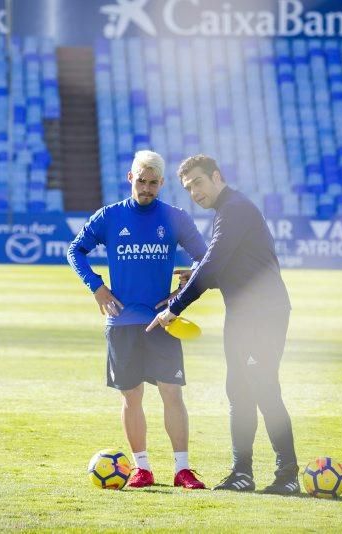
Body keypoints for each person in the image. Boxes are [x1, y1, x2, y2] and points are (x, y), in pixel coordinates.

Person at [147, 154, 300, 495]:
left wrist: (176, 305)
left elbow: (214, 263)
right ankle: (241, 474)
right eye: (188, 189)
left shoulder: (235, 209)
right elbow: (231, 267)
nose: (195, 193)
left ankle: (287, 476)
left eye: (198, 183)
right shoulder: (226, 211)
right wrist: (195, 277)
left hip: (264, 315)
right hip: (242, 316)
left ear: (216, 176)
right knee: (238, 392)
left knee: (263, 389)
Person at [67, 150, 208, 489]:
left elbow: (207, 258)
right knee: (131, 398)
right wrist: (97, 287)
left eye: (153, 183)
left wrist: (186, 284)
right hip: (121, 323)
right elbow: (75, 250)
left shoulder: (175, 218)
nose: (146, 188)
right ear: (130, 178)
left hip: (163, 321)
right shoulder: (110, 216)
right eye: (141, 181)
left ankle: (182, 469)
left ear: (162, 183)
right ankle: (142, 468)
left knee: (172, 394)